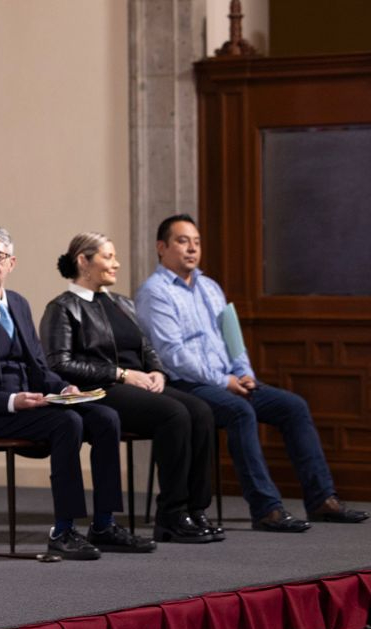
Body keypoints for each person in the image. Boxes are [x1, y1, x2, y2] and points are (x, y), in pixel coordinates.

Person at [134, 214, 368, 531]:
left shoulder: (210, 287)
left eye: (197, 242)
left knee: (292, 406)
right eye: (182, 241)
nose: (192, 249)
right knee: (241, 412)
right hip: (188, 386)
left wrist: (244, 373)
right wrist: (224, 382)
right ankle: (266, 509)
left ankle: (322, 500)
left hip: (230, 380)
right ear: (161, 248)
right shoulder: (155, 292)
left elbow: (232, 337)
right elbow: (173, 355)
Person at [0, 226, 154, 560]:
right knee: (66, 422)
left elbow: (38, 367)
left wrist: (62, 387)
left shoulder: (19, 305)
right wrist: (11, 401)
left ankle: (105, 524)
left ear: (12, 263)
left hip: (32, 404)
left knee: (106, 417)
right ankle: (63, 531)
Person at [40, 232, 220, 544]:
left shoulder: (122, 303)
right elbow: (59, 364)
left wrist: (157, 372)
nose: (117, 264)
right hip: (99, 389)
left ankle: (195, 509)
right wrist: (121, 373)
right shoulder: (62, 307)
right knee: (174, 414)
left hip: (137, 384)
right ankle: (171, 516)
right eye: (108, 257)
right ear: (83, 261)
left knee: (202, 411)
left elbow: (146, 347)